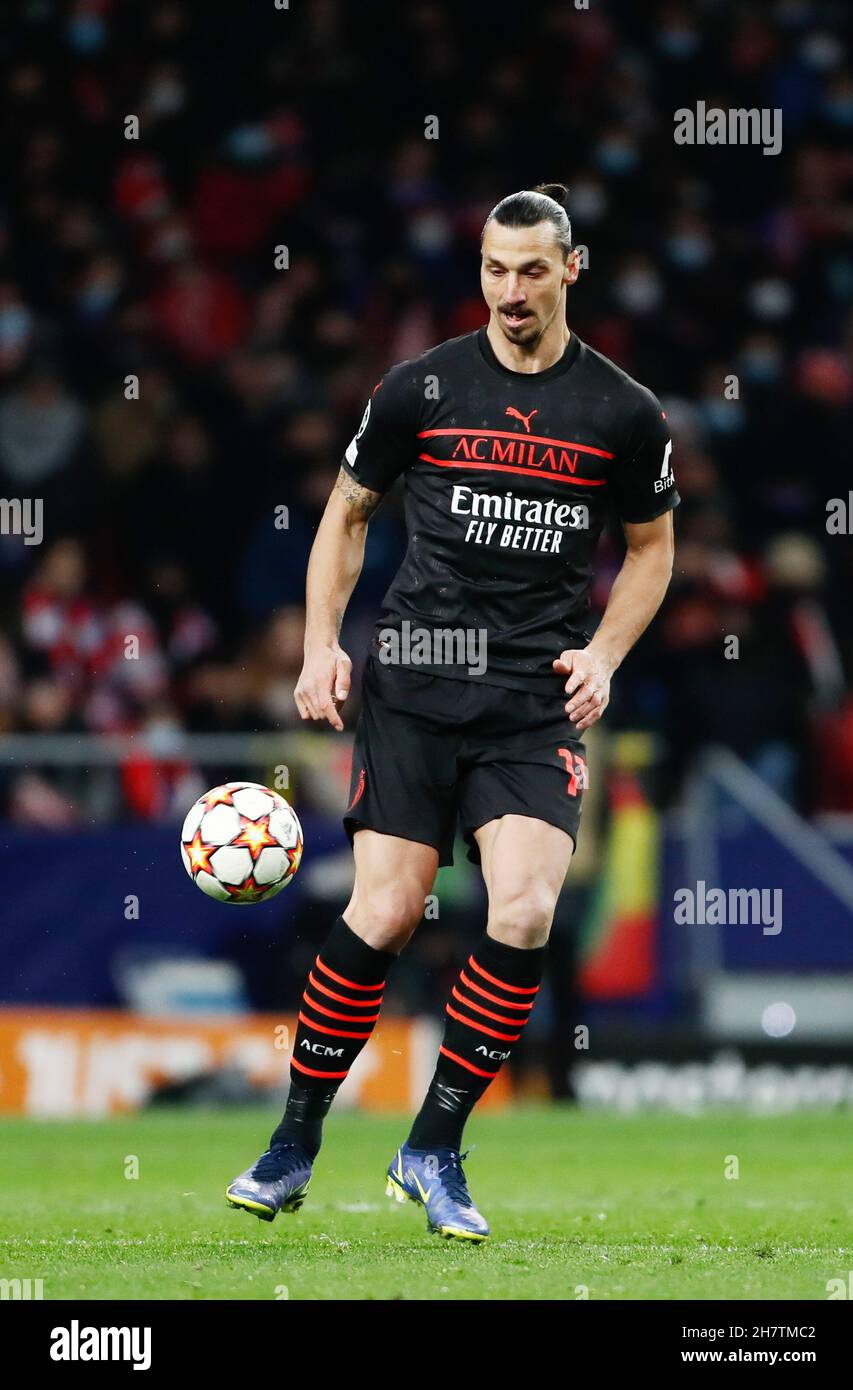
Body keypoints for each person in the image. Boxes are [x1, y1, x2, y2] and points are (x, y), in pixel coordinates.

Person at [226, 184, 678, 1241]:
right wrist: (317, 644)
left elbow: (652, 551)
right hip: (417, 684)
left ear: (570, 270)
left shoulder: (621, 411)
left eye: (530, 270)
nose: (509, 291)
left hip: (530, 699)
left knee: (521, 910)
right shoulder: (419, 386)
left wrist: (605, 654)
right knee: (385, 913)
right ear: (476, 269)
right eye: (492, 268)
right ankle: (294, 1140)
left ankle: (432, 1146)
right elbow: (344, 516)